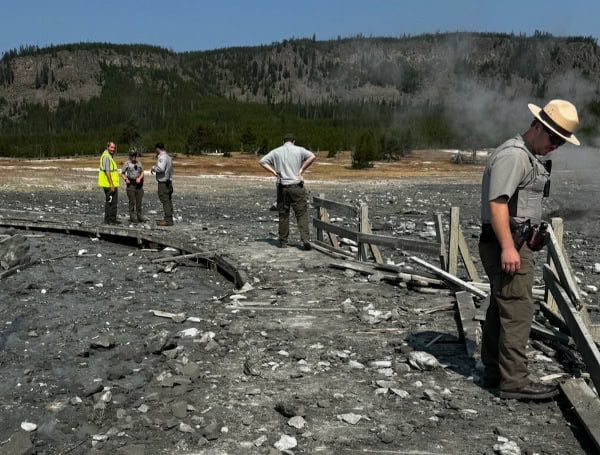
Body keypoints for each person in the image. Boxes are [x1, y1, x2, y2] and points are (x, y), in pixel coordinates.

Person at [479, 99, 580, 401]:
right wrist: (509, 246)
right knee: (519, 309)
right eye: (554, 138)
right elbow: (497, 203)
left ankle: (495, 372)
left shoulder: (527, 156)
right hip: (507, 243)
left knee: (503, 307)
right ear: (538, 126)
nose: (555, 145)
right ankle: (514, 382)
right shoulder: (515, 156)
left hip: (513, 241)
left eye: (561, 141)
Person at [259, 133, 316, 250]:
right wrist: (301, 169)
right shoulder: (299, 150)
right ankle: (305, 239)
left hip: (282, 186)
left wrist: (274, 172)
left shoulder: (276, 151)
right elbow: (312, 156)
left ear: (283, 141)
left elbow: (262, 161)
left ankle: (283, 242)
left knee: (283, 214)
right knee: (301, 214)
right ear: (293, 141)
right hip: (296, 185)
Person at [97, 141, 120, 225]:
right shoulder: (106, 157)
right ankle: (109, 219)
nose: (113, 149)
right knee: (111, 202)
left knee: (111, 201)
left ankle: (110, 219)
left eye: (114, 148)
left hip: (109, 184)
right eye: (111, 147)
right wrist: (111, 184)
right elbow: (107, 171)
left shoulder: (108, 156)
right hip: (109, 184)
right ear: (107, 147)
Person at [151, 142, 174, 226]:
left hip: (163, 182)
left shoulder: (162, 157)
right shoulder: (168, 157)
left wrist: (153, 168)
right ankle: (169, 216)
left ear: (157, 148)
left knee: (165, 200)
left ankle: (168, 219)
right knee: (168, 199)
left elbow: (160, 168)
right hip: (168, 181)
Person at [121, 149, 146, 223]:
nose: (133, 157)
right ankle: (132, 217)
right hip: (130, 184)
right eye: (132, 155)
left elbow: (142, 172)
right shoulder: (127, 163)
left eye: (135, 155)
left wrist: (139, 178)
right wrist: (126, 179)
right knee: (132, 201)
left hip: (139, 184)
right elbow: (122, 173)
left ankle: (139, 216)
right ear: (130, 156)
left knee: (139, 201)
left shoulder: (139, 163)